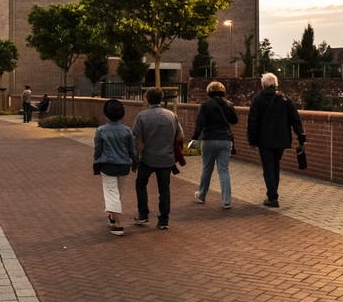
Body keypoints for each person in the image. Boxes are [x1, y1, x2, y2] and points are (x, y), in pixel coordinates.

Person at [246, 72, 306, 208]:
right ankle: (273, 194)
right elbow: (295, 119)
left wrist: (252, 139)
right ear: (275, 84)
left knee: (268, 168)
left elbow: (252, 121)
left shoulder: (258, 99)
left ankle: (273, 197)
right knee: (275, 166)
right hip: (281, 140)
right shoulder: (285, 99)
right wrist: (301, 136)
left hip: (264, 140)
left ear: (263, 84)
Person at [132, 87, 183, 230]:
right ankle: (164, 220)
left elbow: (138, 139)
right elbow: (181, 136)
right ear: (161, 99)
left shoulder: (142, 116)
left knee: (141, 184)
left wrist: (136, 157)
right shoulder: (172, 115)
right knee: (164, 189)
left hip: (148, 158)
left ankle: (143, 214)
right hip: (166, 158)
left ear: (147, 99)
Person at [190, 80, 238, 209]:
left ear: (209, 92)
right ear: (223, 91)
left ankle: (202, 195)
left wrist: (194, 139)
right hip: (225, 140)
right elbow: (235, 120)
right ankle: (226, 201)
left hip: (209, 139)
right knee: (224, 170)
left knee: (207, 168)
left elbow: (199, 123)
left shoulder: (205, 105)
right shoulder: (229, 104)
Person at [93, 99, 137, 235]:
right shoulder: (127, 130)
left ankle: (118, 225)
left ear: (106, 114)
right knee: (119, 193)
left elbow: (97, 150)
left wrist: (97, 162)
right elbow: (132, 150)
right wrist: (135, 162)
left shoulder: (101, 130)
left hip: (108, 166)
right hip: (124, 166)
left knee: (111, 193)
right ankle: (112, 217)